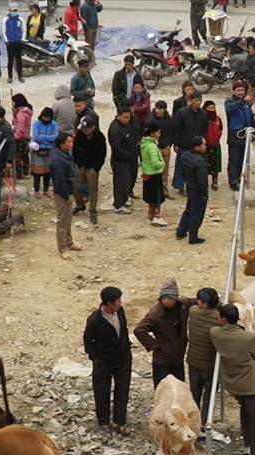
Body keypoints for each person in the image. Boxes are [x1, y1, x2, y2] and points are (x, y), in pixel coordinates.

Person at [210, 304, 255, 455]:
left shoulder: (215, 334)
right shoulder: (247, 337)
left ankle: (248, 444)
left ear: (223, 319)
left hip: (232, 383)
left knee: (244, 411)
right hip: (250, 384)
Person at [84, 286, 133, 437]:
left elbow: (123, 330)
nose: (120, 303)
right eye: (117, 301)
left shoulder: (120, 311)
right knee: (102, 392)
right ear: (109, 303)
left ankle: (119, 421)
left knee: (122, 390)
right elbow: (88, 340)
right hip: (103, 362)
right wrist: (96, 359)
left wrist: (126, 347)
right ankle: (103, 423)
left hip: (122, 359)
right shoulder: (94, 320)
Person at [134, 279, 198, 387]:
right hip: (162, 361)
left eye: (169, 298)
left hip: (178, 358)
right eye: (164, 298)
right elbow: (139, 330)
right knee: (162, 389)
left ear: (175, 298)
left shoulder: (182, 305)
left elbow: (196, 301)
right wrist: (155, 346)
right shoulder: (156, 314)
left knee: (179, 388)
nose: (166, 301)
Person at [187, 287, 221, 427]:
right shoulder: (219, 318)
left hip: (194, 362)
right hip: (210, 365)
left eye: (199, 300)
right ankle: (204, 423)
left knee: (194, 394)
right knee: (209, 396)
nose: (197, 301)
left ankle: (193, 423)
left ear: (204, 305)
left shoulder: (193, 312)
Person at [171, 93, 208, 196]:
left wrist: (201, 142)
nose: (198, 103)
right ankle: (180, 186)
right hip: (184, 143)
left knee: (195, 167)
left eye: (200, 101)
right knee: (181, 166)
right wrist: (176, 143)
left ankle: (193, 187)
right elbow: (177, 128)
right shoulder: (182, 113)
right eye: (196, 100)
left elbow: (205, 129)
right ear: (191, 101)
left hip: (197, 146)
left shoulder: (204, 114)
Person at [50, 132, 80, 259]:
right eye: (69, 142)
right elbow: (59, 180)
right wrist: (66, 195)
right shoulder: (59, 160)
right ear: (62, 145)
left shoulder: (64, 155)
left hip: (68, 191)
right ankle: (62, 248)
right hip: (63, 194)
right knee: (62, 221)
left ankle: (69, 242)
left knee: (68, 219)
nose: (72, 144)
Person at [176, 136, 210, 244]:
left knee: (189, 210)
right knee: (197, 214)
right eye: (203, 145)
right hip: (198, 191)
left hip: (190, 187)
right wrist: (204, 194)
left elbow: (181, 172)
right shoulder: (200, 161)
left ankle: (181, 230)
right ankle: (193, 237)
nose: (205, 146)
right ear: (197, 147)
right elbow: (202, 181)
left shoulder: (185, 155)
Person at [71, 116, 106, 223]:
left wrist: (96, 168)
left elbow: (102, 154)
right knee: (75, 187)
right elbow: (75, 147)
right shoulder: (81, 134)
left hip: (92, 168)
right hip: (80, 165)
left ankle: (92, 211)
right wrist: (76, 160)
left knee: (93, 191)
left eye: (85, 129)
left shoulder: (99, 137)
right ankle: (80, 205)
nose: (83, 131)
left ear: (91, 128)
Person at [108, 106, 139, 214]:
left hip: (128, 159)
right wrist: (128, 155)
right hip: (119, 160)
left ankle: (123, 200)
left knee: (127, 182)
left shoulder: (128, 125)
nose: (126, 120)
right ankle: (118, 205)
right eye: (124, 117)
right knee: (120, 183)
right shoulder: (115, 128)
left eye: (128, 117)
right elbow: (116, 148)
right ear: (118, 115)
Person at [225, 82, 253, 191]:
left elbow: (249, 116)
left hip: (245, 134)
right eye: (238, 90)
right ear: (233, 91)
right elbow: (230, 109)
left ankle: (239, 178)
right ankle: (232, 181)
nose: (241, 92)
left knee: (242, 159)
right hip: (234, 135)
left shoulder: (247, 103)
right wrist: (242, 101)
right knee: (234, 159)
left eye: (242, 90)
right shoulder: (229, 101)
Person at [145, 100, 173, 197]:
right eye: (156, 108)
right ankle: (154, 191)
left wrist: (169, 143)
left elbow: (171, 131)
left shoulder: (168, 119)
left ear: (164, 110)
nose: (157, 110)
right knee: (154, 171)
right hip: (154, 148)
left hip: (165, 147)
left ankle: (164, 191)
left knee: (165, 171)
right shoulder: (151, 120)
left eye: (160, 109)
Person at [140, 122, 166, 225]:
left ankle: (150, 213)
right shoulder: (152, 146)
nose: (159, 134)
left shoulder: (143, 144)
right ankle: (157, 215)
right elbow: (155, 163)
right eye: (158, 133)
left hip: (147, 173)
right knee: (157, 196)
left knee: (150, 195)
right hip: (155, 174)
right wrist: (162, 164)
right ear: (152, 133)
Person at [32, 107, 59, 199]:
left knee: (48, 171)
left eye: (48, 118)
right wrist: (48, 138)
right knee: (37, 172)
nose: (46, 120)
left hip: (50, 150)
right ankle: (36, 190)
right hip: (39, 150)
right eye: (45, 117)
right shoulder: (36, 123)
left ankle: (46, 190)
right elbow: (36, 137)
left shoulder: (54, 124)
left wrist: (43, 136)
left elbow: (55, 136)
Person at [11, 93, 33, 180]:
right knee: (25, 156)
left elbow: (20, 128)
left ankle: (19, 175)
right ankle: (26, 172)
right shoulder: (24, 112)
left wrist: (15, 137)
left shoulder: (21, 114)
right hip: (26, 137)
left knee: (18, 157)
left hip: (20, 139)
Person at [2, 2, 25, 84]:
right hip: (10, 43)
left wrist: (22, 39)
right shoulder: (5, 20)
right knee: (10, 60)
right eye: (13, 10)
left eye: (16, 10)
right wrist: (6, 40)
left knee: (19, 60)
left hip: (18, 42)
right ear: (9, 10)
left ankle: (20, 76)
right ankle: (10, 77)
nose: (14, 12)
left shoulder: (20, 20)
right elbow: (3, 31)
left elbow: (23, 30)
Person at [204, 100, 223, 191]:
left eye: (213, 108)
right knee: (204, 164)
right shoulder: (202, 118)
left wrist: (217, 135)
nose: (211, 110)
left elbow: (221, 128)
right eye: (209, 108)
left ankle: (215, 182)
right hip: (204, 145)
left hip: (215, 144)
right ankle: (204, 182)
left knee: (216, 164)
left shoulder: (218, 119)